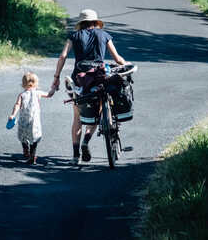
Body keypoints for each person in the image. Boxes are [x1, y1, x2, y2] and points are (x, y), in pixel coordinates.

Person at [51, 9, 127, 166]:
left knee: (78, 117)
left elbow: (63, 56)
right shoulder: (104, 35)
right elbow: (117, 58)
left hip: (80, 79)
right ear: (95, 22)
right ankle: (86, 140)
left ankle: (74, 156)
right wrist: (127, 66)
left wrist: (56, 78)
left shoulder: (74, 36)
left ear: (81, 23)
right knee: (98, 110)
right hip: (99, 77)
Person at [8, 72, 55, 164]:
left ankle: (26, 150)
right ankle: (32, 155)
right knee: (35, 138)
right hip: (34, 121)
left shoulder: (22, 95)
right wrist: (53, 88)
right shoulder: (38, 93)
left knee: (22, 136)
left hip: (23, 120)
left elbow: (17, 105)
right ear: (36, 83)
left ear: (23, 84)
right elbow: (49, 94)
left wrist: (13, 115)